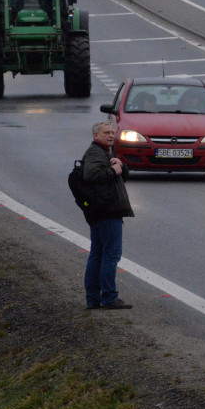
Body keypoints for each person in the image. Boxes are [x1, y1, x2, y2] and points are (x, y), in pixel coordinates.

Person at [82, 121, 134, 309]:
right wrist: (112, 170)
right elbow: (91, 175)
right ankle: (109, 297)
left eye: (113, 132)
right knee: (110, 255)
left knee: (98, 254)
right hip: (107, 211)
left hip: (101, 211)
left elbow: (120, 177)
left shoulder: (105, 152)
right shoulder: (96, 152)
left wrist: (119, 166)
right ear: (96, 136)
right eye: (106, 133)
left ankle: (94, 299)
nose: (111, 135)